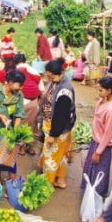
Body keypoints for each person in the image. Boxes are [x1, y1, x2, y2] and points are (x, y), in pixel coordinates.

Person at [38, 59, 76, 188]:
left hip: (57, 129)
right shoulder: (56, 82)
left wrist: (53, 134)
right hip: (54, 125)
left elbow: (61, 115)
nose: (50, 78)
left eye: (51, 76)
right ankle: (60, 180)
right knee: (61, 155)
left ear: (59, 73)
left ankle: (47, 184)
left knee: (51, 157)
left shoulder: (65, 91)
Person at [80, 76, 112, 198]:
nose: (99, 93)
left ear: (109, 90)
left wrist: (98, 152)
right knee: (91, 168)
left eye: (101, 90)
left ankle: (97, 195)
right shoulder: (103, 101)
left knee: (99, 171)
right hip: (96, 141)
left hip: (102, 146)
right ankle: (89, 192)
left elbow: (108, 134)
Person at [0, 70, 26, 181]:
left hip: (9, 131)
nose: (21, 88)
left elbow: (19, 113)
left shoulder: (19, 95)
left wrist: (15, 133)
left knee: (10, 155)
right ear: (10, 82)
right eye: (19, 85)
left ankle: (12, 180)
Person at [14, 53, 44, 155]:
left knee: (20, 124)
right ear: (25, 60)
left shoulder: (15, 72)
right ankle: (29, 146)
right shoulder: (34, 71)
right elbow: (42, 89)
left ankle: (21, 147)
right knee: (33, 125)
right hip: (34, 101)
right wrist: (40, 102)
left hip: (20, 102)